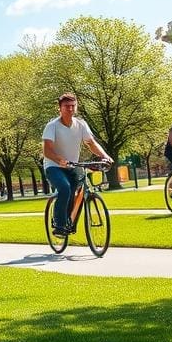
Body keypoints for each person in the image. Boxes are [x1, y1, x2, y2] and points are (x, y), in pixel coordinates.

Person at [42, 93, 113, 236]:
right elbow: (47, 151)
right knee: (64, 188)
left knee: (76, 192)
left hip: (72, 165)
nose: (70, 109)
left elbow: (91, 143)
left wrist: (105, 156)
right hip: (54, 166)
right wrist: (59, 160)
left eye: (73, 106)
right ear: (60, 109)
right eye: (66, 106)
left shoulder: (81, 124)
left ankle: (70, 221)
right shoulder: (52, 126)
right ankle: (60, 225)